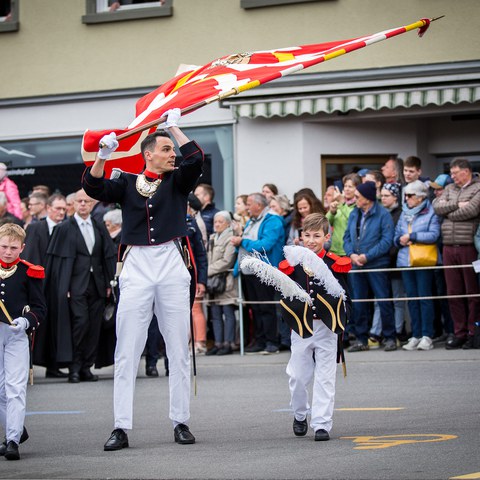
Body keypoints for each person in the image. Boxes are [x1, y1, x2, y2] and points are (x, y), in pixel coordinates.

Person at [82, 109, 204, 450]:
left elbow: (196, 158)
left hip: (170, 261)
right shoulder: (125, 182)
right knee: (127, 348)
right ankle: (120, 426)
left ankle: (180, 421)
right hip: (136, 263)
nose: (172, 155)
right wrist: (101, 157)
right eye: (165, 149)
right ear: (147, 153)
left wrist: (174, 128)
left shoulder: (178, 181)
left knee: (178, 347)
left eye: (172, 150)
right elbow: (92, 187)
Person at [278, 213, 351, 441]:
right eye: (307, 235)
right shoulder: (292, 262)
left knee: (325, 377)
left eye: (316, 236)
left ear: (326, 236)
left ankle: (322, 424)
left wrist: (343, 321)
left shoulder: (334, 263)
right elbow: (284, 296)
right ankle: (300, 414)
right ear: (301, 236)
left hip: (327, 328)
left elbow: (345, 297)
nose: (311, 240)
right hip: (302, 327)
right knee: (298, 376)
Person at [45, 189, 116, 383]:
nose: (83, 204)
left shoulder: (99, 226)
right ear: (74, 204)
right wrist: (64, 286)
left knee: (94, 326)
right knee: (80, 324)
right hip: (75, 286)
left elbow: (106, 255)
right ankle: (74, 367)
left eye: (86, 201)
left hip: (98, 285)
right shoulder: (65, 228)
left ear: (92, 204)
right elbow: (58, 263)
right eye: (79, 201)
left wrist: (110, 282)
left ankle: (87, 367)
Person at [0, 223, 46, 460]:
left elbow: (40, 309)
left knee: (15, 388)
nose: (8, 252)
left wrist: (26, 322)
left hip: (17, 334)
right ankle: (15, 429)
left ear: (22, 248)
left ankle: (13, 440)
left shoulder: (30, 271)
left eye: (13, 248)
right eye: (4, 247)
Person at [343, 181, 397, 352]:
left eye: (358, 196)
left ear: (367, 198)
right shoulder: (354, 213)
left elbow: (387, 240)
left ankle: (390, 337)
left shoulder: (383, 214)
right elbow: (346, 238)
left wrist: (367, 256)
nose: (354, 198)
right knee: (359, 302)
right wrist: (351, 254)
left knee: (383, 301)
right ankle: (361, 339)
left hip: (377, 264)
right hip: (356, 264)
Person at [433, 158, 480, 350]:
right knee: (453, 292)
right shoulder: (451, 188)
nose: (452, 177)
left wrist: (450, 209)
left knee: (472, 293)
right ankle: (458, 332)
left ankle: (472, 332)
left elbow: (472, 209)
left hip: (468, 245)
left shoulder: (477, 188)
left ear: (466, 171)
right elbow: (437, 206)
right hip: (448, 246)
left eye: (455, 173)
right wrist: (457, 205)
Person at [231, 192, 284, 354]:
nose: (246, 207)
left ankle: (271, 342)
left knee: (266, 307)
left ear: (259, 205)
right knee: (255, 308)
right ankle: (260, 341)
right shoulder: (251, 221)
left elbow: (264, 245)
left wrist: (242, 241)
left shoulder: (273, 220)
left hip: (264, 270)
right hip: (249, 271)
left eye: (248, 203)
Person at [22, 194, 68, 378]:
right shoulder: (36, 228)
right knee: (35, 327)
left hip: (59, 286)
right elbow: (31, 256)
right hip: (40, 285)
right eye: (58, 208)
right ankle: (27, 367)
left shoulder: (66, 228)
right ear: (48, 208)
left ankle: (53, 365)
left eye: (64, 209)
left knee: (57, 325)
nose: (61, 212)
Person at [395, 181, 441, 351]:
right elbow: (397, 233)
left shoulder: (431, 212)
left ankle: (427, 335)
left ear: (421, 197)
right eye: (405, 195)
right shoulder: (404, 213)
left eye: (410, 195)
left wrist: (412, 236)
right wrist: (399, 240)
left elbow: (434, 235)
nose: (407, 199)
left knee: (424, 298)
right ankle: (415, 334)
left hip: (423, 260)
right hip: (405, 260)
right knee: (412, 299)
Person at [369, 183, 406, 347]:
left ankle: (397, 331)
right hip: (380, 262)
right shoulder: (379, 213)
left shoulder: (401, 214)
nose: (383, 198)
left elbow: (395, 239)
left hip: (395, 261)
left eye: (386, 196)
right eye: (381, 195)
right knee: (380, 299)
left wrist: (386, 253)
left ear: (395, 197)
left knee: (397, 299)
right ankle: (376, 333)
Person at [206, 211, 238, 356]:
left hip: (225, 280)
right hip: (212, 281)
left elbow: (227, 261)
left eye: (220, 222)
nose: (217, 224)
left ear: (228, 223)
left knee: (227, 311)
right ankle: (218, 343)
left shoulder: (231, 238)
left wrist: (207, 271)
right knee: (215, 313)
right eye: (215, 222)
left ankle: (228, 343)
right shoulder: (212, 237)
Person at [326, 173, 362, 256]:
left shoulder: (359, 205)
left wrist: (342, 202)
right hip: (334, 250)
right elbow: (326, 223)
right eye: (345, 186)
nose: (346, 189)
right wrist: (332, 212)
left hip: (349, 251)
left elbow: (352, 218)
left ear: (357, 189)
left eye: (350, 186)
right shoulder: (340, 204)